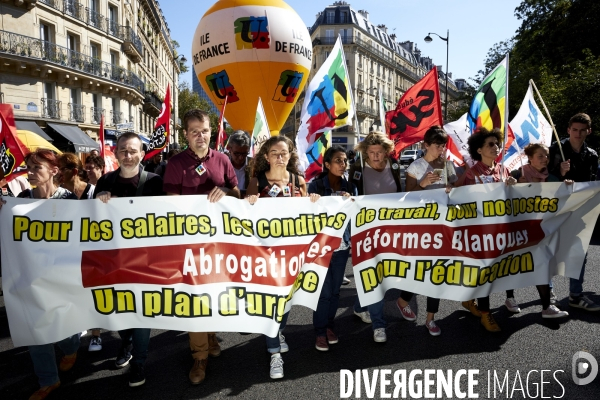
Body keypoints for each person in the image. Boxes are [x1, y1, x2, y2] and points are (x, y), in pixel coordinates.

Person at [163, 109, 240, 385]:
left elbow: (237, 193)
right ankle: (199, 356)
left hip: (218, 244)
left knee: (214, 292)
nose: (200, 135)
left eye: (204, 130)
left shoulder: (223, 160)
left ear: (211, 131)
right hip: (189, 246)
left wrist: (227, 193)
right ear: (185, 134)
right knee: (195, 299)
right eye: (194, 131)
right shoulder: (175, 163)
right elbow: (170, 202)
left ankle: (209, 335)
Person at [1, 149, 81, 400]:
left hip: (62, 278)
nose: (31, 173)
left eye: (37, 168)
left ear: (54, 172)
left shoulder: (70, 200)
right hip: (31, 278)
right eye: (29, 167)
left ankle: (72, 346)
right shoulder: (19, 200)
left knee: (64, 329)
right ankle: (48, 381)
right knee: (36, 329)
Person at [246, 135, 319, 379]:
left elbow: (309, 214)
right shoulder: (256, 181)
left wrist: (313, 201)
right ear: (266, 156)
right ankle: (274, 353)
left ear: (290, 155)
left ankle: (278, 331)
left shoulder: (299, 180)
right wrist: (250, 202)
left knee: (286, 302)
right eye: (275, 153)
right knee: (272, 304)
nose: (280, 157)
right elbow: (245, 217)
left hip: (294, 256)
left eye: (284, 152)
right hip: (266, 256)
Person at [94, 132, 164, 387]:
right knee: (119, 309)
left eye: (133, 150)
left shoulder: (155, 182)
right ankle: (127, 340)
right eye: (123, 150)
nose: (127, 155)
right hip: (114, 260)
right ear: (115, 153)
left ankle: (139, 363)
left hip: (146, 261)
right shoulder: (104, 182)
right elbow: (91, 222)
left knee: (141, 314)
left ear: (142, 154)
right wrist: (100, 203)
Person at [401, 126, 458, 336]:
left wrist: (453, 188)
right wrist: (423, 184)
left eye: (443, 145)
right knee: (421, 269)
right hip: (422, 226)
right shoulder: (416, 166)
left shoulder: (447, 164)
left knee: (438, 271)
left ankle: (431, 318)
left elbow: (455, 187)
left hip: (443, 224)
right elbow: (407, 197)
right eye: (437, 145)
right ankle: (403, 299)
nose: (441, 149)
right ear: (426, 145)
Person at [459, 127, 517, 333]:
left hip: (501, 231)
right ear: (479, 150)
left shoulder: (503, 170)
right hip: (479, 233)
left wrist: (512, 187)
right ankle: (485, 313)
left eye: (497, 143)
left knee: (496, 271)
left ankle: (469, 299)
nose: (496, 147)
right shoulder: (471, 173)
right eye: (490, 144)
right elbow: (457, 201)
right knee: (485, 272)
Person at [503, 143, 570, 318]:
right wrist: (513, 184)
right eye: (540, 156)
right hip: (518, 227)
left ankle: (547, 307)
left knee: (542, 263)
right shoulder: (518, 174)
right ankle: (510, 298)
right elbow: (502, 197)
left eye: (546, 156)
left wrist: (567, 184)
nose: (544, 159)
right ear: (530, 158)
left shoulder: (551, 178)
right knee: (514, 262)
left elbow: (563, 194)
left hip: (541, 229)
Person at [348, 131, 402, 343]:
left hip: (390, 229)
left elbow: (402, 193)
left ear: (386, 151)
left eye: (380, 152)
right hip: (366, 230)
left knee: (385, 273)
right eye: (371, 152)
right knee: (373, 275)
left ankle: (360, 306)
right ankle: (379, 325)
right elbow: (351, 196)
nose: (376, 156)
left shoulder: (395, 166)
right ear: (365, 152)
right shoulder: (358, 168)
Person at [548, 113, 600, 312]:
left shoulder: (592, 155)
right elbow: (542, 179)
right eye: (575, 130)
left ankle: (575, 295)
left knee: (580, 252)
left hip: (580, 209)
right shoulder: (554, 150)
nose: (578, 134)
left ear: (589, 131)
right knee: (550, 251)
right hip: (555, 209)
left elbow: (591, 184)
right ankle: (549, 293)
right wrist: (559, 173)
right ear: (568, 130)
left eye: (582, 130)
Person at [308, 146, 356, 351]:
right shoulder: (315, 186)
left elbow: (356, 213)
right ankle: (320, 332)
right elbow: (306, 217)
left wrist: (350, 201)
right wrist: (314, 203)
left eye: (344, 161)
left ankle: (329, 326)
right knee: (324, 292)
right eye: (338, 160)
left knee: (336, 292)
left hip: (342, 247)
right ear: (327, 164)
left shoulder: (350, 187)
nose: (343, 164)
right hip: (321, 248)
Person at [226, 130, 251, 196]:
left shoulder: (254, 165)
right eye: (236, 153)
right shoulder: (222, 165)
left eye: (244, 153)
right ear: (229, 149)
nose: (240, 157)